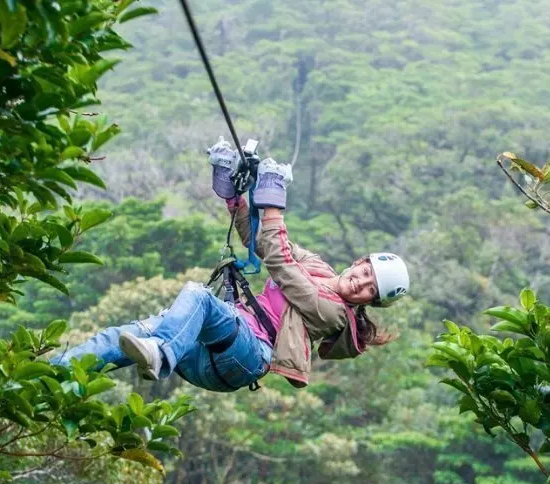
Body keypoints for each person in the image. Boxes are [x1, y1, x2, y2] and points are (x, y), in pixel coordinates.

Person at [51, 138, 410, 392]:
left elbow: (282, 266)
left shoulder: (334, 314)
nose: (360, 283)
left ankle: (161, 353)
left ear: (370, 302)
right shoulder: (318, 267)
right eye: (366, 273)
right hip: (216, 344)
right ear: (359, 262)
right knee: (121, 335)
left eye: (370, 290)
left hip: (247, 355)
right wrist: (236, 198)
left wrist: (273, 199)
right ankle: (49, 375)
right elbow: (262, 242)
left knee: (198, 297)